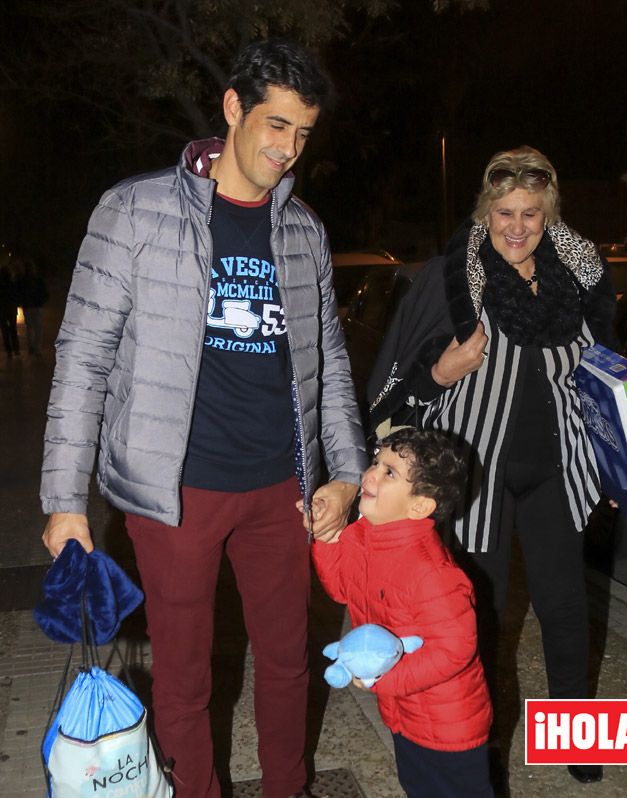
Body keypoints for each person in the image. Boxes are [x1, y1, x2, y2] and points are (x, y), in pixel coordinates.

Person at [40, 38, 367, 798]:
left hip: (280, 490)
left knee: (287, 664)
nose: (287, 148)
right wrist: (64, 501)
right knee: (184, 680)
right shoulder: (135, 210)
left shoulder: (303, 231)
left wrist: (346, 475)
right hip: (172, 494)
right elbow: (82, 357)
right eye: (275, 125)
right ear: (233, 111)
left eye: (303, 133)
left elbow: (331, 368)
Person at [367, 146, 617, 786]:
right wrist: (439, 371)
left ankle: (577, 741)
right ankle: (477, 750)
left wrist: (625, 458)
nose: (517, 226)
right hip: (476, 474)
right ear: (485, 210)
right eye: (504, 211)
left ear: (549, 213)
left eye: (531, 213)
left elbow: (605, 375)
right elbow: (398, 390)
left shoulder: (580, 275)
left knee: (564, 610)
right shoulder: (454, 276)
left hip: (558, 468)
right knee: (480, 616)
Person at [312, 428, 493, 798]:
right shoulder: (365, 536)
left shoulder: (432, 573)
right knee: (417, 786)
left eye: (389, 472)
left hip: (449, 727)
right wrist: (327, 538)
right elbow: (341, 588)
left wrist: (386, 681)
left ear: (419, 506)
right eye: (376, 462)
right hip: (403, 716)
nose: (370, 474)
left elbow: (453, 650)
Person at [16, 257, 49, 355]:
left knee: (30, 328)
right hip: (37, 306)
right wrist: (41, 301)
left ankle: (31, 347)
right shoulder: (38, 280)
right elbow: (45, 293)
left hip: (28, 306)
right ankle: (37, 348)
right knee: (38, 328)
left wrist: (21, 302)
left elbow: (18, 293)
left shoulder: (22, 280)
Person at [0, 259, 20, 358]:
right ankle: (16, 350)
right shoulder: (12, 284)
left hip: (2, 309)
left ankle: (9, 351)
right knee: (13, 330)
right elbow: (16, 296)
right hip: (11, 308)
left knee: (5, 331)